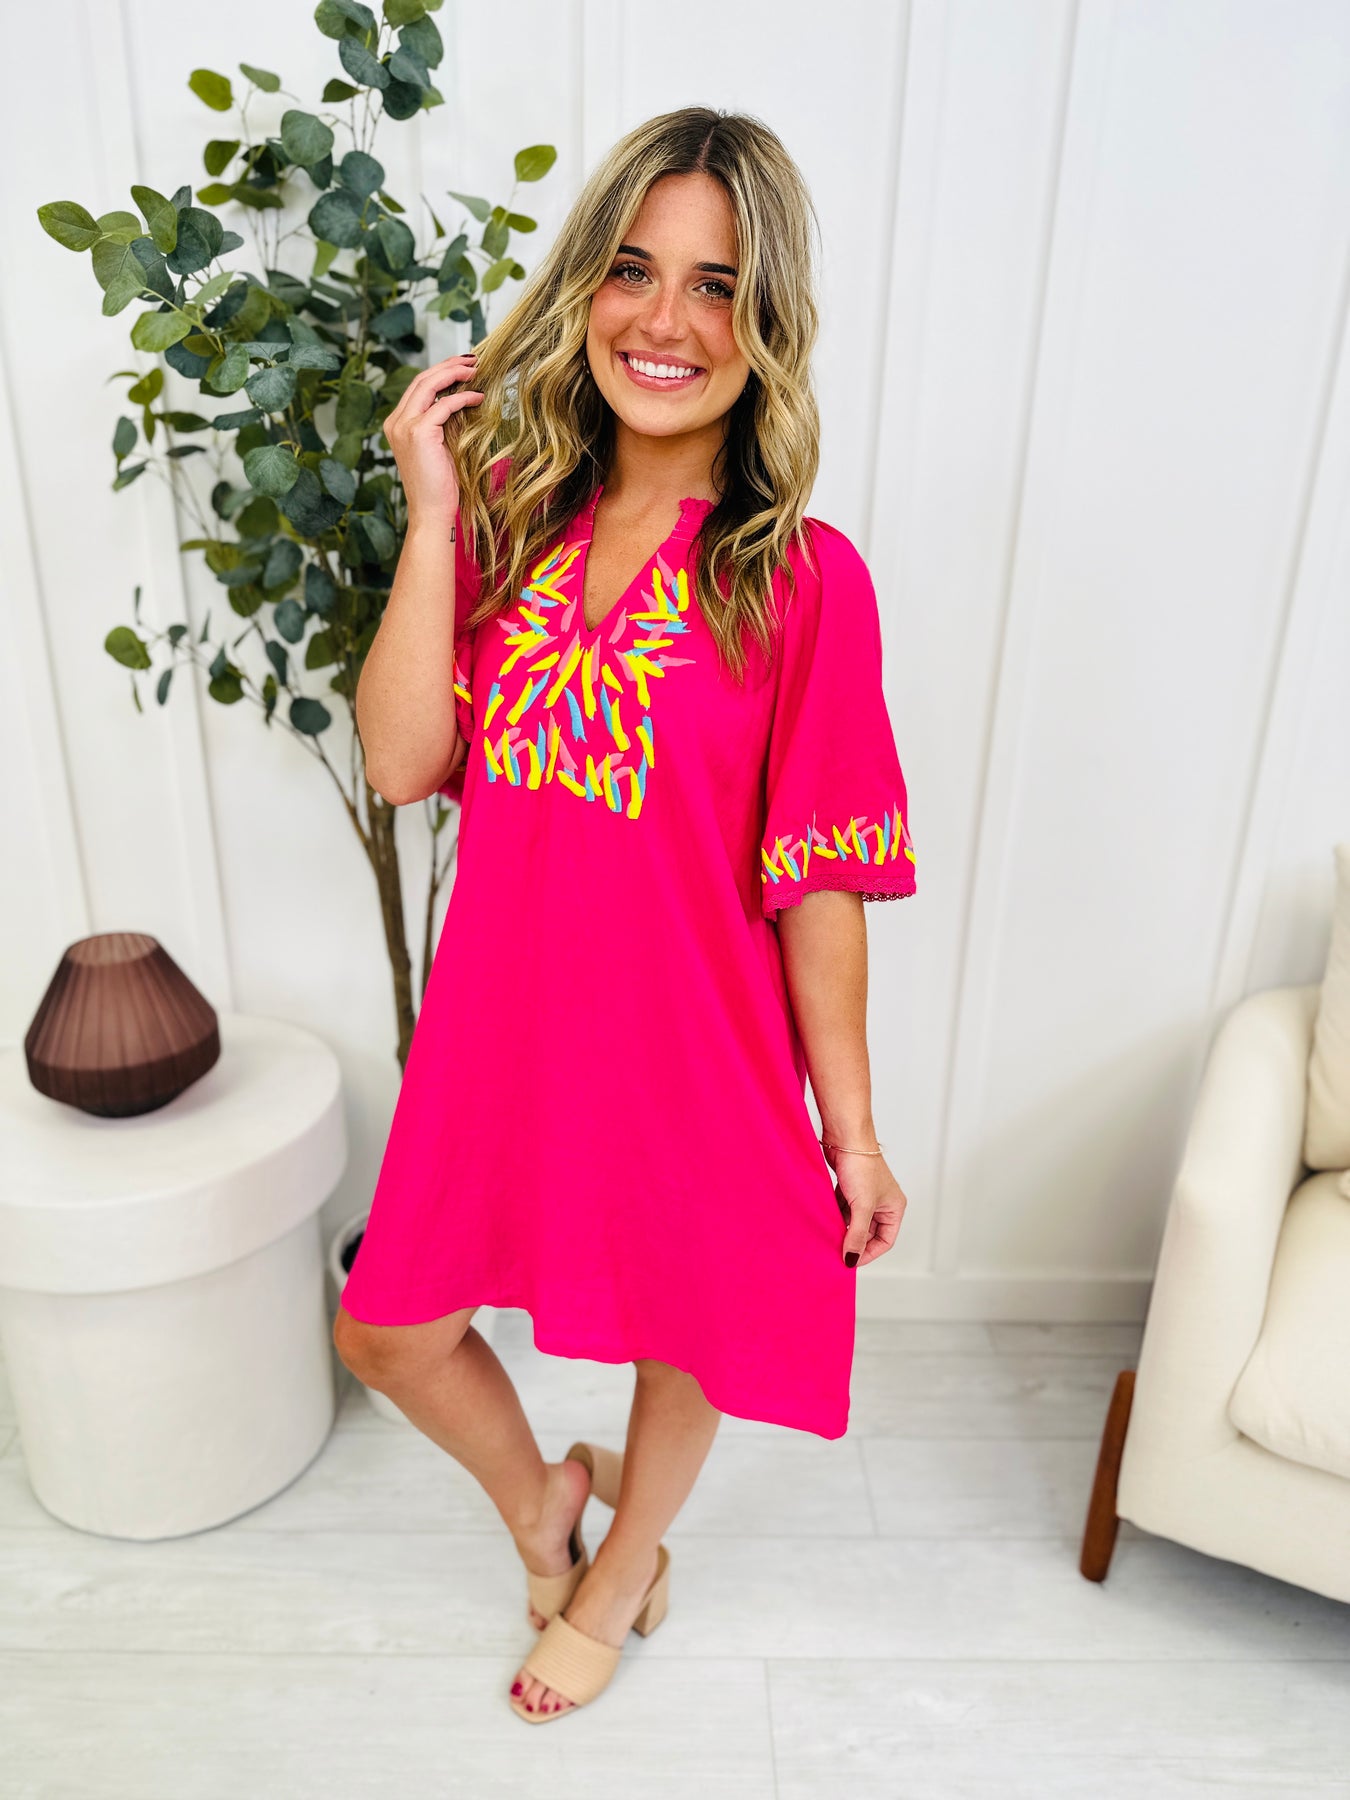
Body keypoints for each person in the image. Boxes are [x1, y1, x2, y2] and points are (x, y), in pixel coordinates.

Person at [334, 104, 917, 1725]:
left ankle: (618, 1568)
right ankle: (544, 1505)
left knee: (690, 1325)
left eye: (717, 286)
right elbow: (401, 760)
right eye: (636, 272)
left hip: (695, 1045)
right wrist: (434, 511)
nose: (667, 321)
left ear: (766, 324)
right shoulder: (514, 522)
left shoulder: (801, 579)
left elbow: (820, 874)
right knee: (386, 1331)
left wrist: (852, 1132)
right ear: (587, 285)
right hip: (501, 1037)